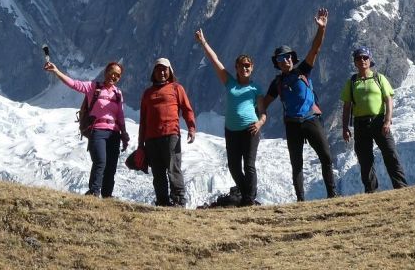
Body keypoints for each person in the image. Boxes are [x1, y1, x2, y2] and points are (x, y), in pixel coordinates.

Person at [262, 8, 337, 201]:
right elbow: (265, 103)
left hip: (311, 119)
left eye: (287, 57)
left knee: (326, 157)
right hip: (292, 124)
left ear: (292, 59)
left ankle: (332, 195)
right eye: (281, 58)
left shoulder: (303, 70)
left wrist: (321, 28)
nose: (285, 60)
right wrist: (253, 113)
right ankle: (301, 200)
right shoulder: (276, 83)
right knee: (297, 164)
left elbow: (315, 48)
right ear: (277, 63)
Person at [195, 29, 266, 206]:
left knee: (249, 166)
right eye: (242, 65)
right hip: (231, 131)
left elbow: (263, 112)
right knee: (234, 167)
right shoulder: (229, 82)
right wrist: (203, 42)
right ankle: (245, 195)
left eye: (247, 65)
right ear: (236, 68)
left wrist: (259, 123)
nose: (245, 68)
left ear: (252, 67)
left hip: (250, 129)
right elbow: (215, 61)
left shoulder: (256, 88)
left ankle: (249, 200)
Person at [44, 60, 129, 197]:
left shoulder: (118, 93)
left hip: (114, 133)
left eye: (117, 75)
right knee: (100, 161)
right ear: (106, 72)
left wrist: (124, 134)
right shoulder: (93, 87)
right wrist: (56, 71)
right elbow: (74, 84)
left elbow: (120, 115)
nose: (114, 76)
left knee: (111, 166)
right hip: (98, 131)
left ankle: (107, 196)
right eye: (112, 73)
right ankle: (94, 192)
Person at [341, 46, 408, 193]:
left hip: (379, 121)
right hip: (360, 124)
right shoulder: (351, 82)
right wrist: (345, 128)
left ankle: (401, 188)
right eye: (359, 58)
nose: (362, 60)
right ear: (355, 62)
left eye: (365, 57)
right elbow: (346, 107)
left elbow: (388, 99)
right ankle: (371, 191)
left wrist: (387, 120)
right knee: (365, 160)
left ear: (370, 60)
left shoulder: (379, 78)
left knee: (390, 154)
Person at [138, 57, 196, 207]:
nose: (162, 72)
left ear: (170, 71)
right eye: (158, 69)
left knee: (173, 168)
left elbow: (186, 109)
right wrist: (140, 144)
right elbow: (143, 120)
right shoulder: (147, 93)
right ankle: (162, 201)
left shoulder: (177, 88)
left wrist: (191, 127)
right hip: (151, 138)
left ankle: (178, 200)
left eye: (165, 69)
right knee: (158, 172)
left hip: (171, 134)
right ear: (154, 73)